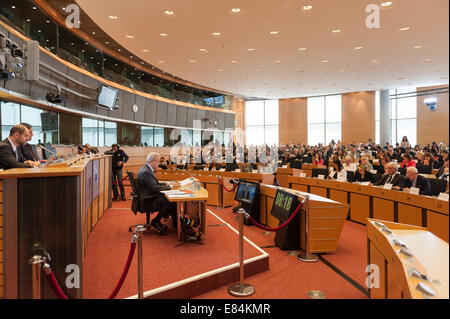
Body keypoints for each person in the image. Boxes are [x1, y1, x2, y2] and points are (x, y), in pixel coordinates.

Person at [136, 153, 180, 233]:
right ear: (152, 162)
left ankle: (174, 222)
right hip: (148, 200)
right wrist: (170, 187)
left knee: (171, 200)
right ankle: (156, 221)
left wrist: (168, 184)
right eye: (158, 161)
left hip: (149, 195)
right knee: (170, 201)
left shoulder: (147, 169)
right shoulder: (146, 172)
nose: (159, 163)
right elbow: (155, 188)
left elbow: (155, 183)